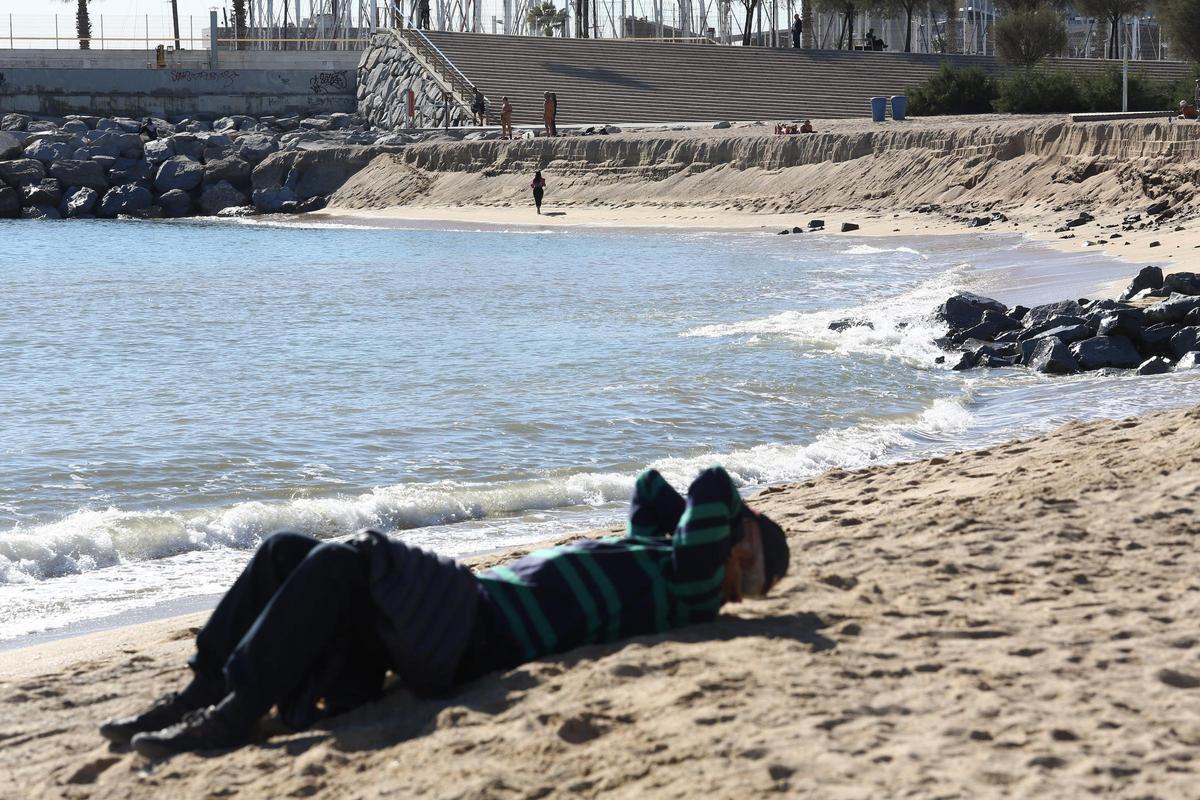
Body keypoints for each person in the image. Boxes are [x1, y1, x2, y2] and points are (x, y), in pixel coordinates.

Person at [99, 466, 789, 759]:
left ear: (736, 556)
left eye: (742, 546)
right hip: (462, 610)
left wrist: (742, 522)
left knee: (347, 560)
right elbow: (652, 490)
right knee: (285, 549)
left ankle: (233, 716)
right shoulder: (666, 554)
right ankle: (201, 689)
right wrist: (732, 528)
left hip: (477, 626)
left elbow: (710, 483)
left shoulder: (694, 592)